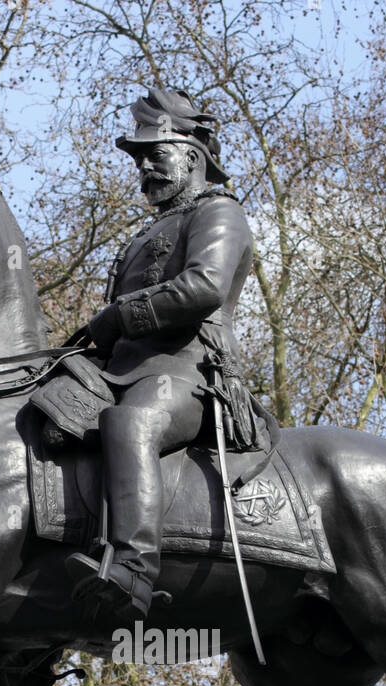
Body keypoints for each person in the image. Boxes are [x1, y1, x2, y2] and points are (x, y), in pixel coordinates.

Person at [65, 86, 259, 623]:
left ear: (192, 157)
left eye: (155, 153)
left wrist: (118, 316)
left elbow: (204, 287)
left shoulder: (219, 213)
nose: (144, 166)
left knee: (131, 425)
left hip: (188, 371)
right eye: (139, 158)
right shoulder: (149, 231)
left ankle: (132, 571)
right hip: (121, 371)